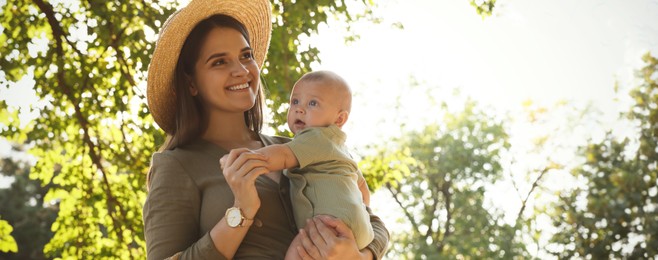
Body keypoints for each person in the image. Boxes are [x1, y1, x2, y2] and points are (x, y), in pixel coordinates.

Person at [142, 0, 389, 259]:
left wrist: (360, 256)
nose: (241, 70)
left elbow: (373, 222)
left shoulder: (297, 146)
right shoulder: (177, 165)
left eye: (246, 56)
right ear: (191, 83)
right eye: (219, 62)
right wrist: (242, 211)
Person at [219, 71, 374, 258]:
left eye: (313, 103)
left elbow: (282, 155)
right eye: (295, 102)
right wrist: (360, 214)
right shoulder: (341, 149)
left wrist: (246, 159)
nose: (299, 109)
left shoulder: (316, 137)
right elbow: (363, 189)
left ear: (339, 119)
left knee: (298, 251)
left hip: (330, 223)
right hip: (359, 229)